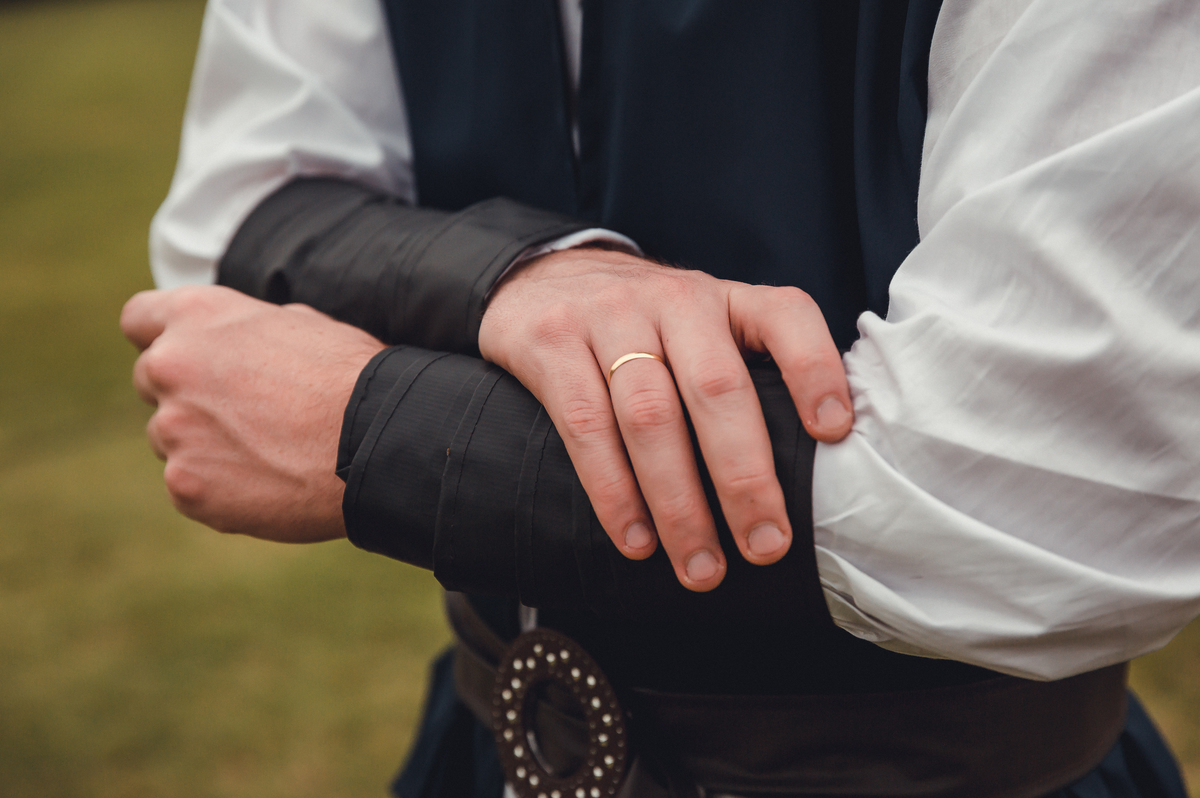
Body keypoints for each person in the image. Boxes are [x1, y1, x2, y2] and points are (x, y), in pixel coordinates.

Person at [121, 0, 1200, 796]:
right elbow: (237, 214)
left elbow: (1048, 489)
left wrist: (372, 429)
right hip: (486, 755)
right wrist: (522, 277)